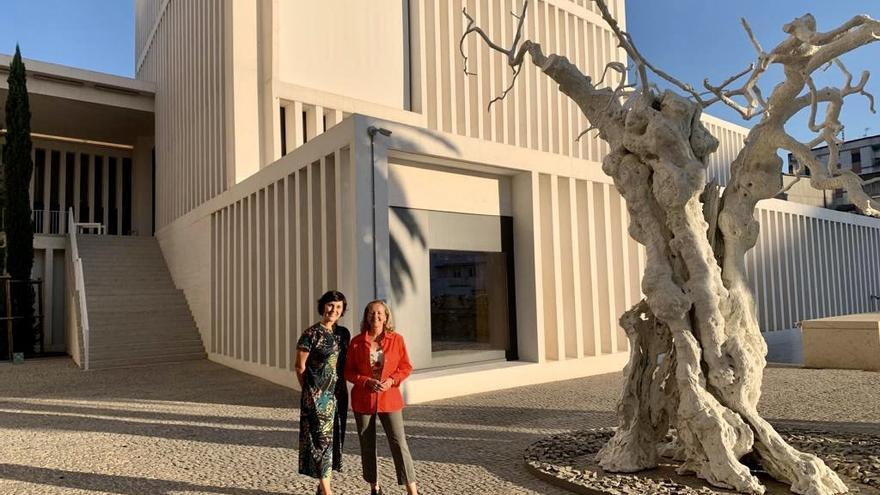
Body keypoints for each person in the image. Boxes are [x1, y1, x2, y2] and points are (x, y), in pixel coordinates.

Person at [345, 300, 418, 495]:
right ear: (366, 317)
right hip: (364, 399)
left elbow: (406, 367)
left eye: (379, 313)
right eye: (371, 313)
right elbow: (349, 371)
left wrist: (392, 380)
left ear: (386, 317)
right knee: (367, 444)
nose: (375, 316)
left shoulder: (397, 339)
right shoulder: (356, 342)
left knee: (399, 443)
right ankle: (374, 486)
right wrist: (365, 381)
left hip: (390, 399)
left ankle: (412, 490)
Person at [295, 290, 350, 495]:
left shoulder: (343, 334)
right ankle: (327, 491)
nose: (333, 310)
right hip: (318, 397)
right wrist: (311, 391)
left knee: (333, 440)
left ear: (343, 310)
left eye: (338, 307)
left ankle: (321, 487)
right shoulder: (311, 334)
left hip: (339, 395)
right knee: (320, 441)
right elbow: (299, 367)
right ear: (322, 306)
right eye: (330, 305)